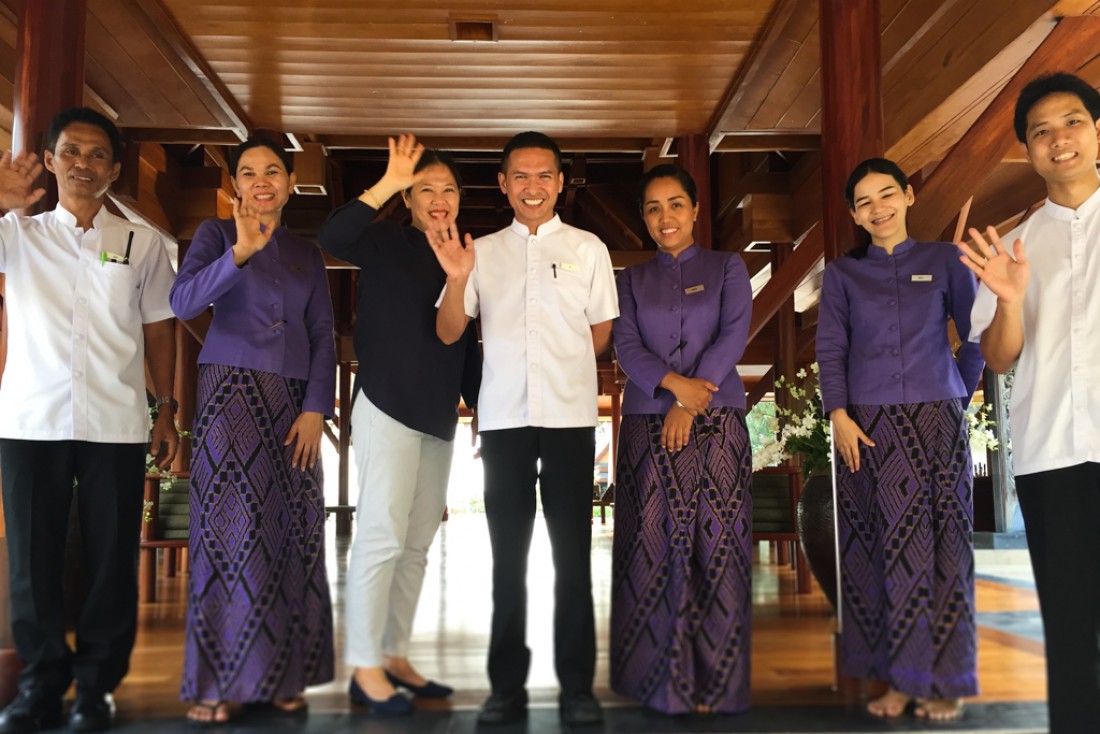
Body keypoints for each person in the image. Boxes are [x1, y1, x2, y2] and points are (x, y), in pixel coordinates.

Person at [0, 107, 178, 734]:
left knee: (109, 560)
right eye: (71, 151)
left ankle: (96, 686)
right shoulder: (15, 235)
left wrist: (165, 408)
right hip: (29, 419)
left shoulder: (143, 243)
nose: (83, 163)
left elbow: (159, 329)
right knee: (31, 559)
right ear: (50, 160)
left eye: (98, 154)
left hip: (116, 421)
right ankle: (40, 686)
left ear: (115, 168)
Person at [431, 131, 619, 725]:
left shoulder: (589, 247)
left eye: (544, 176)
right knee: (505, 560)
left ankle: (577, 689)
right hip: (506, 421)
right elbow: (448, 332)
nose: (532, 187)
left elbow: (600, 332)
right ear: (503, 184)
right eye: (521, 176)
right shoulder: (479, 250)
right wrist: (458, 278)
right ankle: (505, 687)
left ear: (560, 183)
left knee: (572, 560)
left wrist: (563, 369)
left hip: (568, 420)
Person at [170, 138, 336, 726]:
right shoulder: (214, 236)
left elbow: (323, 335)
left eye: (273, 171)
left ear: (290, 182)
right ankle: (215, 682)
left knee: (292, 532)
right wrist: (238, 251)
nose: (262, 181)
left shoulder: (306, 253)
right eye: (249, 172)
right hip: (230, 396)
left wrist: (317, 406)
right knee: (230, 533)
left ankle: (284, 674)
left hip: (294, 405)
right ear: (235, 183)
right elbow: (183, 299)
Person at [317, 134, 481, 715]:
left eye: (448, 190)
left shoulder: (467, 252)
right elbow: (332, 237)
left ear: (461, 199)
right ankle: (364, 666)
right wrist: (388, 179)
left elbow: (461, 339)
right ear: (409, 199)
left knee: (415, 545)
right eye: (425, 189)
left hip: (438, 413)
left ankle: (392, 654)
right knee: (382, 538)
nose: (438, 199)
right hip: (387, 403)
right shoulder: (385, 240)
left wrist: (479, 405)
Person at [816, 158, 984, 721]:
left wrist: (959, 388)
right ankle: (896, 678)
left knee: (944, 549)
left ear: (908, 196)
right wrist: (837, 412)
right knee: (877, 551)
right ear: (854, 215)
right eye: (864, 202)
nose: (877, 208)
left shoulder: (945, 260)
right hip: (867, 428)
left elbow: (976, 330)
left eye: (887, 195)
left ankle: (945, 679)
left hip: (938, 422)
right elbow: (831, 348)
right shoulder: (841, 275)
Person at [959, 72, 1100, 733]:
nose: (1058, 139)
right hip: (1054, 455)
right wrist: (1010, 300)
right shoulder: (1016, 243)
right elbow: (998, 357)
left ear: (1097, 131)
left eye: (1071, 122)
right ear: (1027, 150)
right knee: (1071, 635)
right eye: (1040, 131)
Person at [610, 165, 753, 714]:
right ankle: (656, 682)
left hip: (718, 423)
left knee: (716, 548)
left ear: (695, 211)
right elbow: (626, 346)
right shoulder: (630, 279)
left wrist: (690, 405)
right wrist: (672, 392)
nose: (664, 217)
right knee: (651, 547)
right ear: (643, 218)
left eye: (675, 205)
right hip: (647, 424)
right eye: (652, 208)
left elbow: (733, 333)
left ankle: (717, 684)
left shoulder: (727, 268)